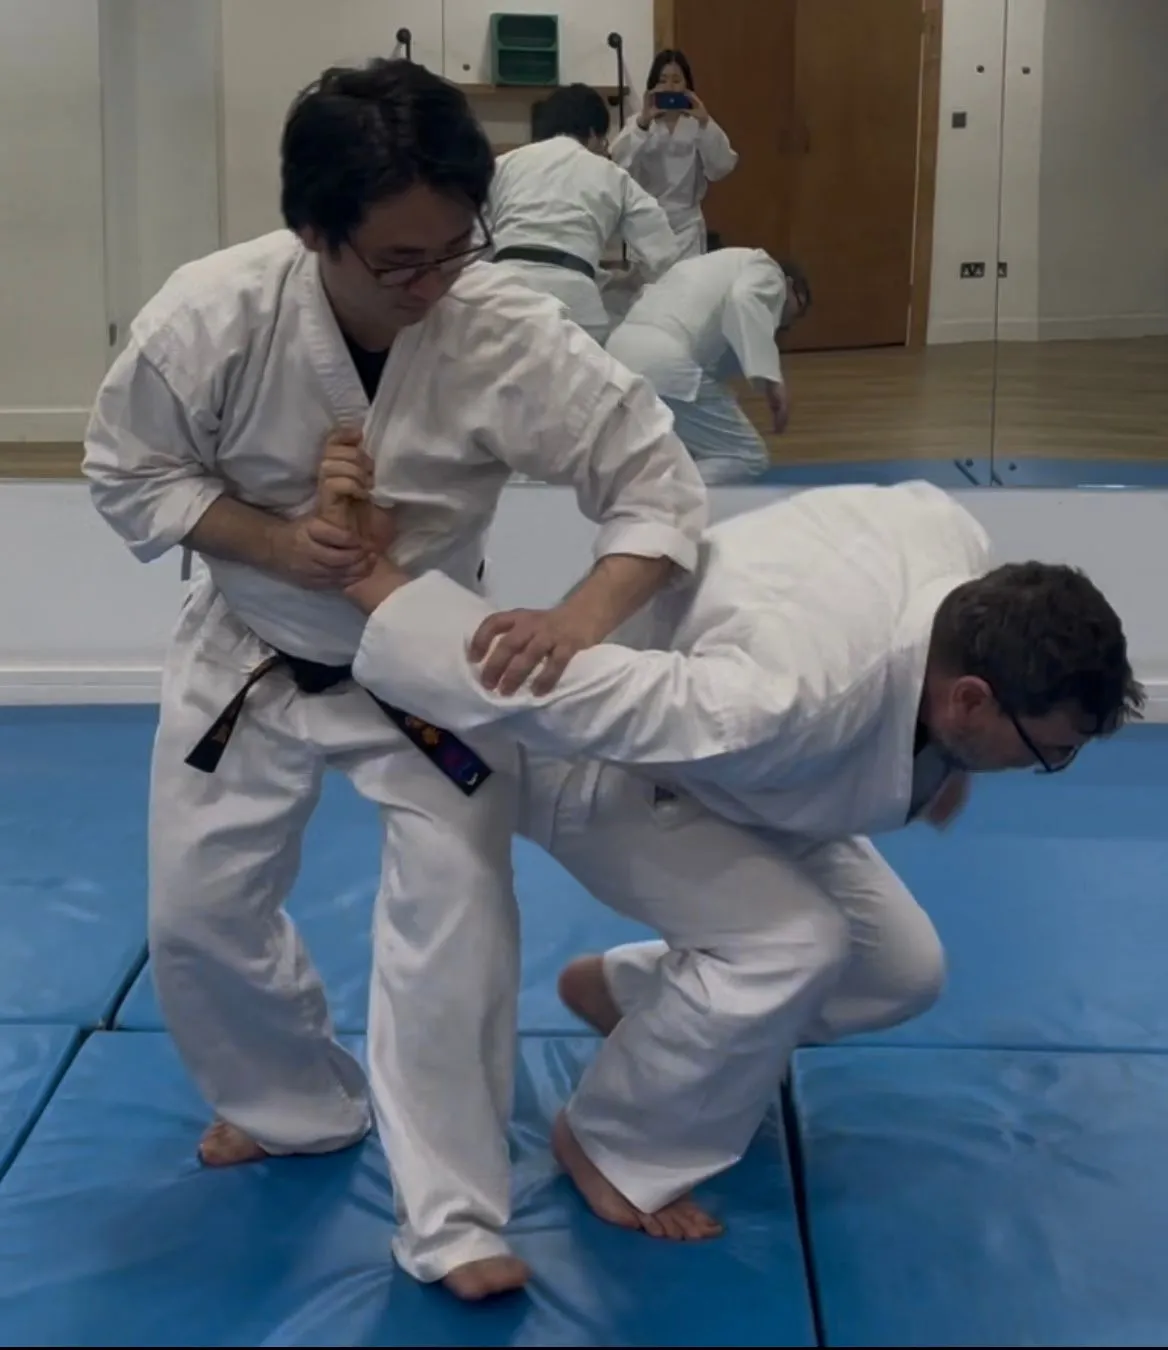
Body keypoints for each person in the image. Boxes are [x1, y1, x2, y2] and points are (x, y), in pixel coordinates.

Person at [81, 58, 707, 1301]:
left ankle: (457, 1217)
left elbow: (656, 489)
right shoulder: (207, 318)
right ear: (316, 233)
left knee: (459, 929)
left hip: (427, 658)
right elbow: (126, 474)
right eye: (397, 264)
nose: (430, 287)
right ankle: (295, 1104)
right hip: (251, 650)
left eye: (452, 251)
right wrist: (272, 542)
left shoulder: (504, 328)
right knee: (196, 920)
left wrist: (576, 621)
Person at [317, 454, 1143, 1239]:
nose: (1045, 768)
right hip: (605, 768)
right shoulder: (779, 696)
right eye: (1045, 752)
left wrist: (943, 755)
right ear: (970, 698)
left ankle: (634, 1000)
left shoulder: (957, 552)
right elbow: (548, 691)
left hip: (757, 772)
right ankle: (611, 1143)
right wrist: (374, 584)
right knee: (794, 944)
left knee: (899, 972)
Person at [488, 83, 681, 343]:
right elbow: (664, 254)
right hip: (575, 304)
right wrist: (637, 282)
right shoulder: (610, 174)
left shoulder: (504, 164)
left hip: (504, 294)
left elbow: (472, 241)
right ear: (592, 133)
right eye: (603, 141)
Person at [606, 248, 812, 484]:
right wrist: (773, 381)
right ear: (789, 283)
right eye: (800, 306)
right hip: (664, 360)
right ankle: (663, 497)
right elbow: (744, 298)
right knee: (747, 456)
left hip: (620, 351)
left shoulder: (704, 268)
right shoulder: (767, 268)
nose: (792, 320)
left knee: (681, 448)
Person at [610, 50, 738, 260]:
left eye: (677, 80)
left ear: (687, 86)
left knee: (687, 287)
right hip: (648, 223)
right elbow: (617, 165)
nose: (669, 87)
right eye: (663, 80)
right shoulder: (638, 123)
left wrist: (705, 122)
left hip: (687, 225)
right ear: (652, 85)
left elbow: (722, 166)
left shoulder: (698, 124)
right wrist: (643, 122)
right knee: (649, 289)